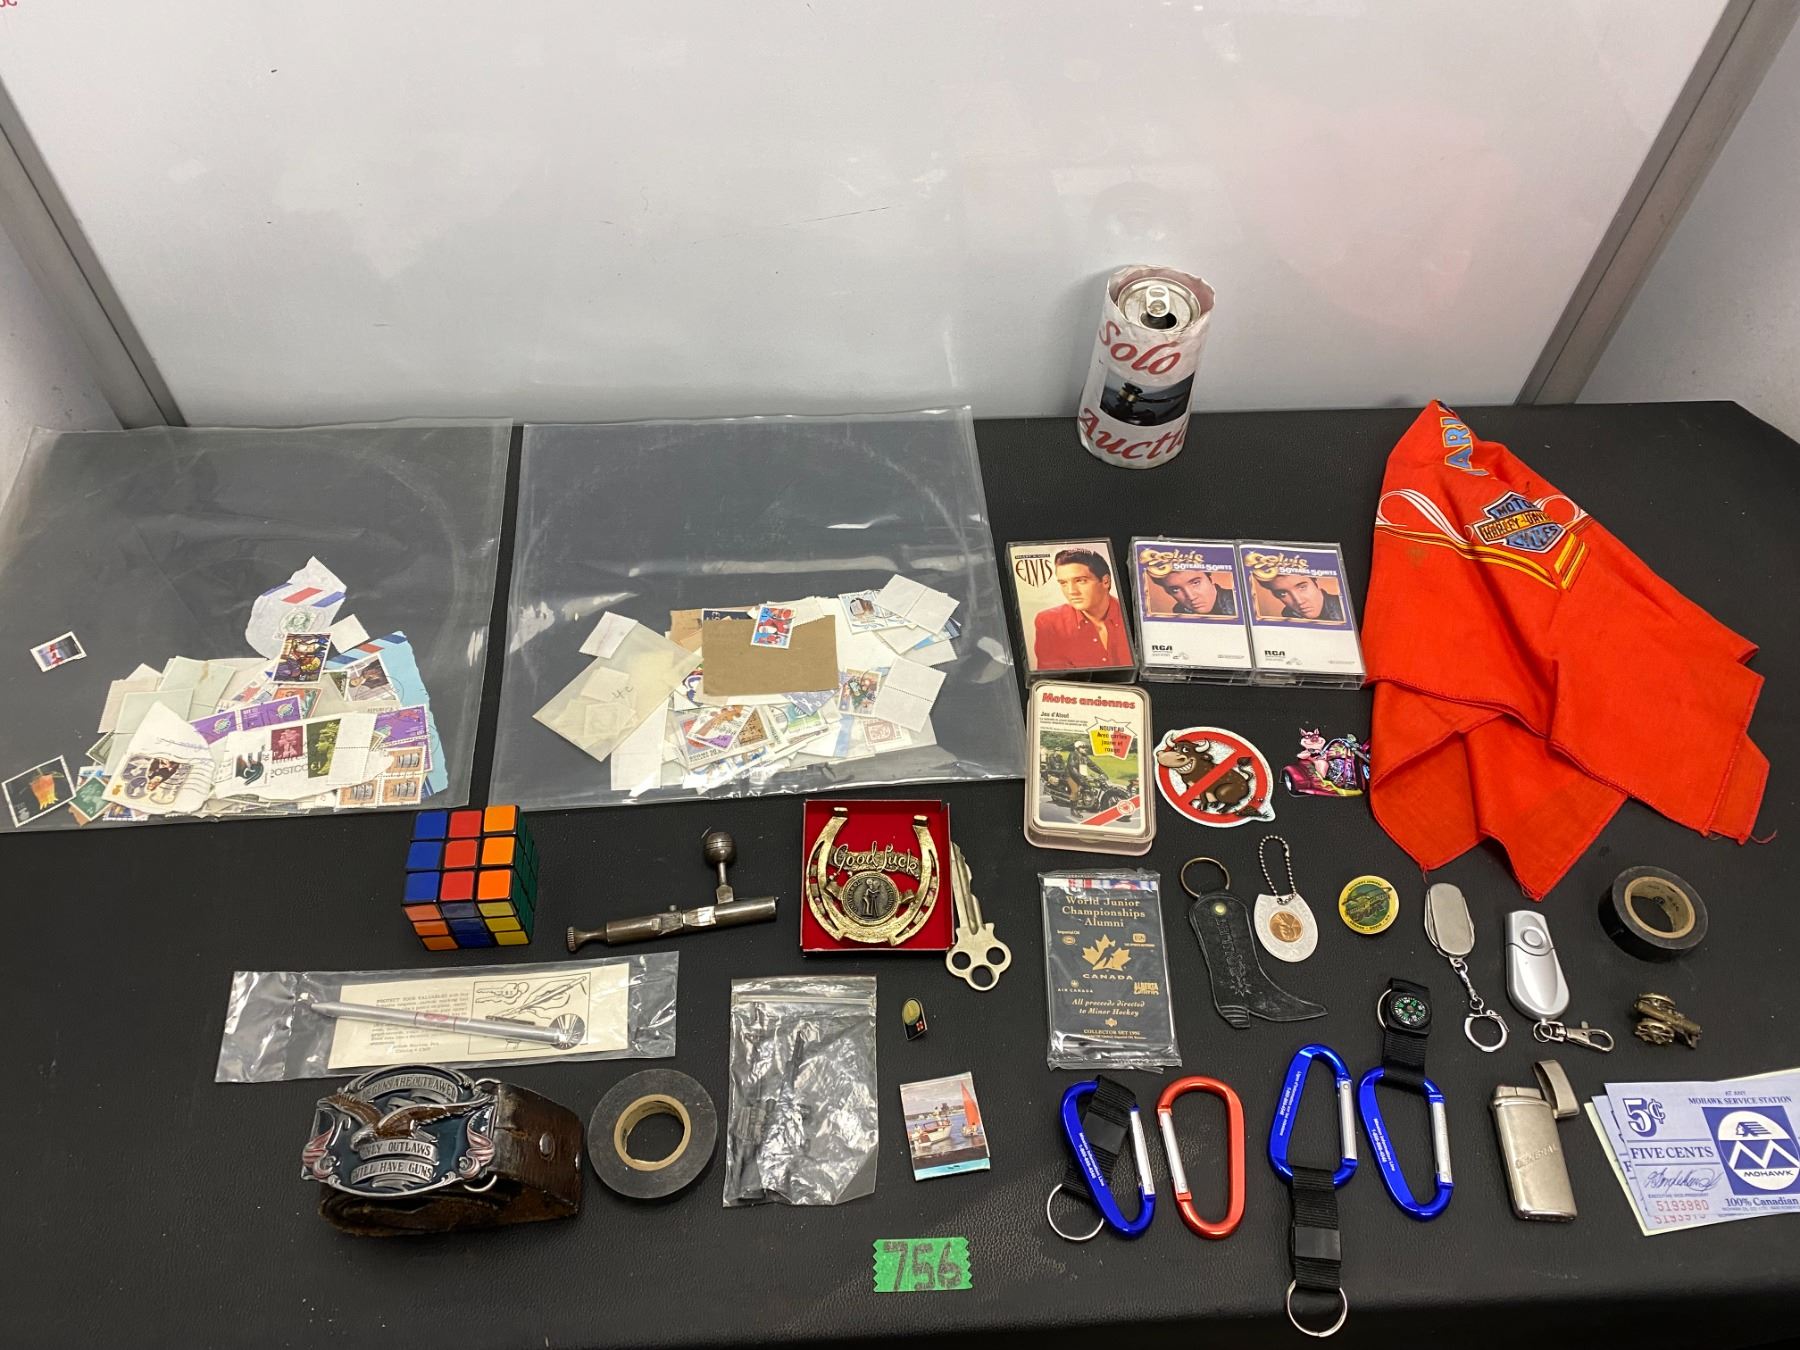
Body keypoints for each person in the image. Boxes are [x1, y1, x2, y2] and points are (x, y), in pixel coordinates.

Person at [1032, 547, 1132, 669]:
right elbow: (1054, 678)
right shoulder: (1049, 622)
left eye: (1081, 581)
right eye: (1063, 583)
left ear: (1105, 581)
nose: (1071, 591)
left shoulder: (1133, 615)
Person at [1257, 569, 1343, 622]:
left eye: (1302, 587)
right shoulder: (1289, 614)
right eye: (1283, 594)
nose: (1299, 601)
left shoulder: (1343, 609)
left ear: (1315, 583)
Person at [1151, 565, 1236, 617]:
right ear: (1168, 592)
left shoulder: (1237, 604)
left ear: (1209, 579)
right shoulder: (1180, 610)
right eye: (1175, 589)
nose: (1191, 597)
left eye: (1195, 583)